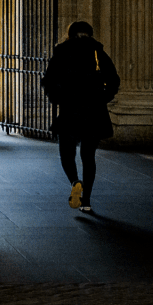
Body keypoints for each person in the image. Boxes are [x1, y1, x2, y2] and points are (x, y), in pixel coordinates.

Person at [41, 20, 120, 212]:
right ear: (90, 34)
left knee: (66, 153)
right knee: (88, 156)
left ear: (70, 34)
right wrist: (103, 97)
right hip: (94, 110)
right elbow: (113, 80)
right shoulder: (97, 51)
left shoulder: (62, 51)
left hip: (70, 110)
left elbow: (49, 80)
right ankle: (87, 201)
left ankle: (75, 181)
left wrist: (58, 98)